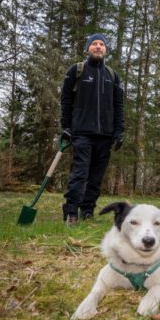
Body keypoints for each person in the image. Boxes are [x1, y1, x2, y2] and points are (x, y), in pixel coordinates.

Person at [60, 33, 125, 225]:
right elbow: (66, 101)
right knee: (80, 173)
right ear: (88, 48)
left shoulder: (112, 76)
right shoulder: (76, 71)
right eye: (94, 44)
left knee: (96, 177)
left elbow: (119, 105)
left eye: (102, 44)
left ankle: (87, 211)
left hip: (105, 135)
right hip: (81, 132)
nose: (98, 47)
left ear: (106, 50)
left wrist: (119, 130)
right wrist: (66, 127)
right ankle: (71, 212)